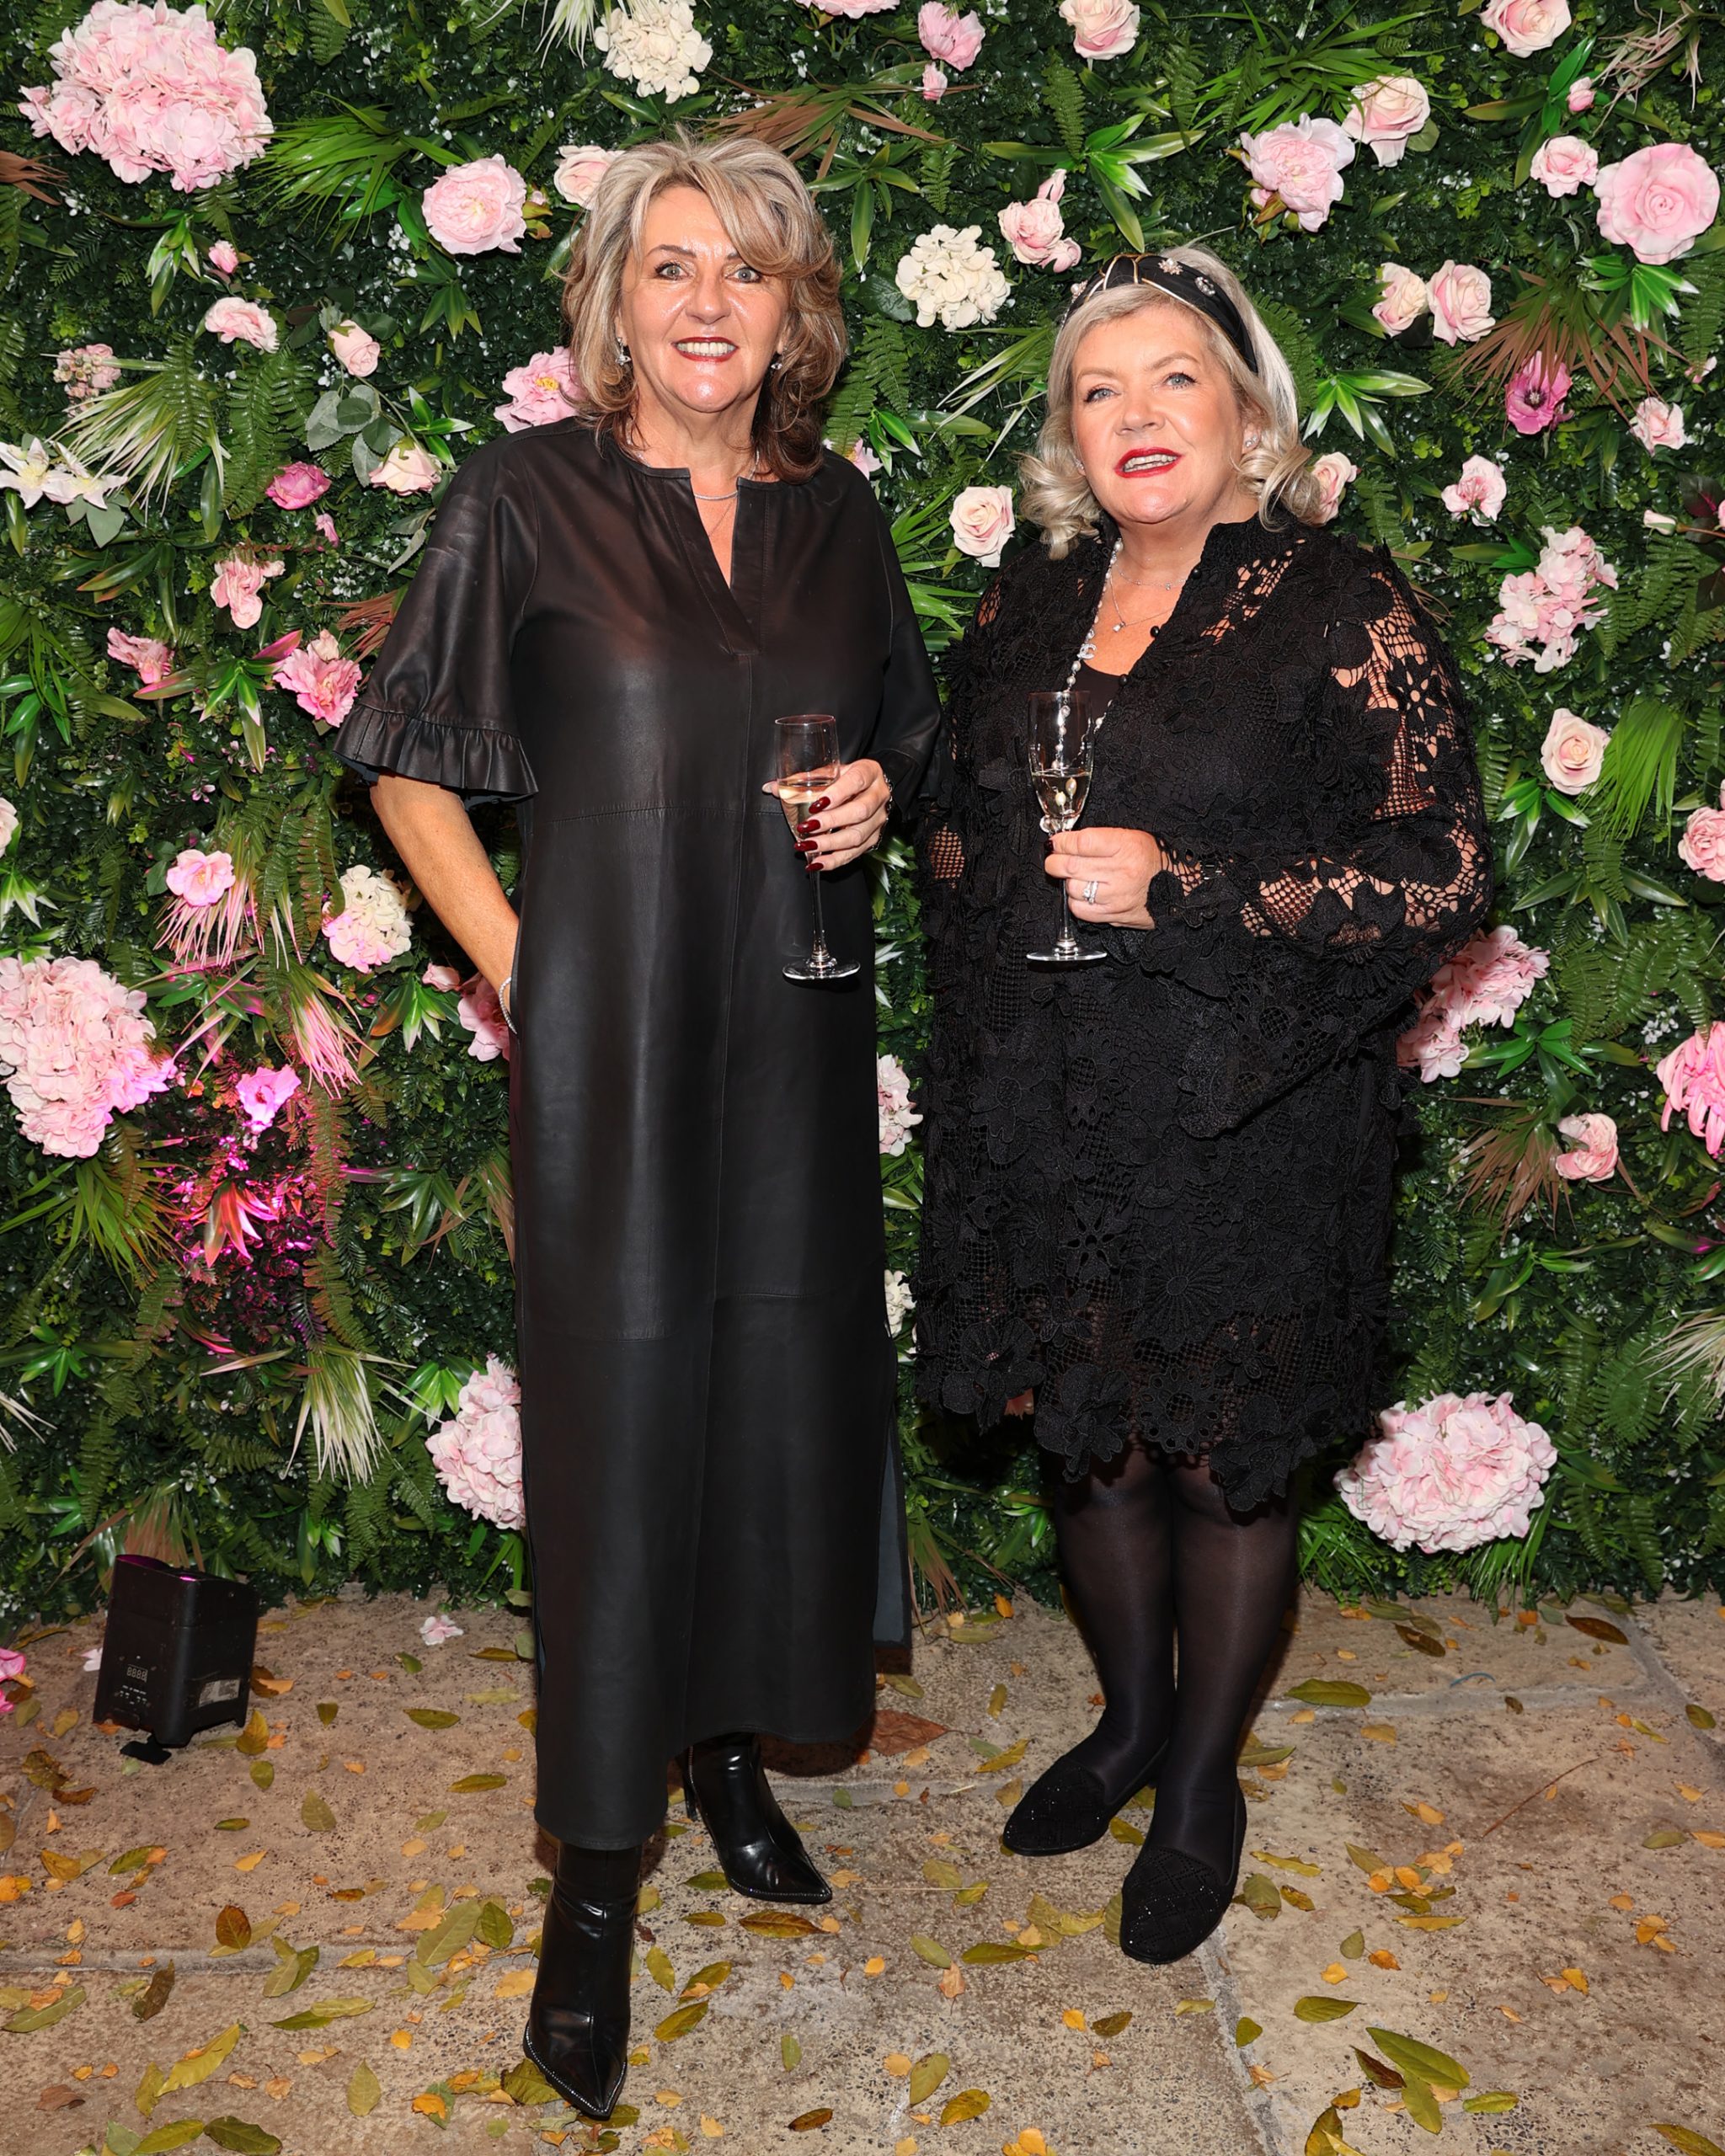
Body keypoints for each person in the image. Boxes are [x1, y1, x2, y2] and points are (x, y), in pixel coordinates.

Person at [335, 131, 939, 2116]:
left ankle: (732, 1754)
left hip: (795, 1024)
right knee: (621, 1416)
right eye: (668, 265)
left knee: (778, 1391)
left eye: (744, 271)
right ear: (610, 298)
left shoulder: (840, 512)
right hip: (612, 1047)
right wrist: (525, 959)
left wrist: (873, 795)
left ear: (794, 311)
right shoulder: (525, 498)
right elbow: (403, 757)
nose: (704, 303)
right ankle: (596, 1883)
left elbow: (905, 737)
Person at [913, 248, 1491, 1965]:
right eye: (1099, 389)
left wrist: (1188, 886)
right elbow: (964, 816)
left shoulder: (1335, 599)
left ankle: (1198, 1788)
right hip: (1052, 1100)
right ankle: (1127, 1723)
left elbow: (1443, 862)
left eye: (1175, 377)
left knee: (1221, 1464)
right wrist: (921, 832)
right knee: (1090, 1435)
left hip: (1246, 1110)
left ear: (1247, 411)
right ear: (1066, 436)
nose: (1137, 414)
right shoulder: (1035, 594)